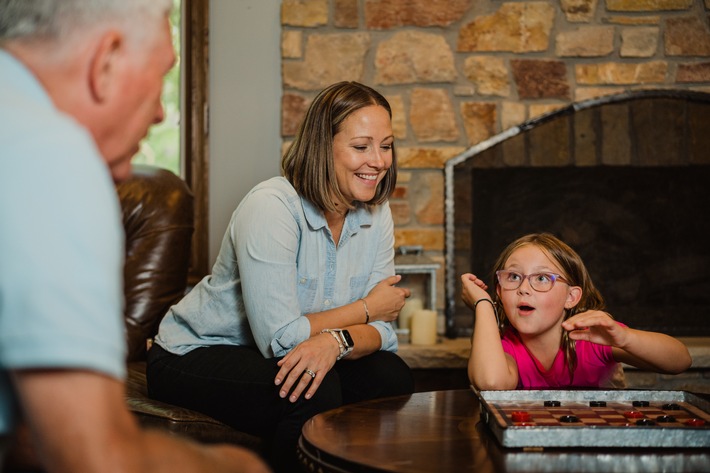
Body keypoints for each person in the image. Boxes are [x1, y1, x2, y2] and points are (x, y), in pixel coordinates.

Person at [0, 1, 270, 472]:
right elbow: (94, 460)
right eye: (162, 76)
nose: (163, 113)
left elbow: (32, 436)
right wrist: (236, 467)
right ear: (105, 62)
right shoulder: (52, 155)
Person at [147, 80, 416, 472]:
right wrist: (366, 308)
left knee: (392, 379)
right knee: (315, 388)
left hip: (287, 347)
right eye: (361, 147)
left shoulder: (376, 210)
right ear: (324, 147)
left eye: (386, 145)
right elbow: (281, 339)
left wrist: (336, 341)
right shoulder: (271, 207)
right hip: (194, 352)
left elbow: (386, 333)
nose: (378, 161)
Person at [462, 232, 692, 391]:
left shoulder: (592, 338)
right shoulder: (504, 348)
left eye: (542, 278)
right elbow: (491, 383)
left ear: (571, 297)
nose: (523, 289)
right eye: (513, 277)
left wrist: (626, 338)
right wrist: (483, 304)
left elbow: (680, 361)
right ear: (500, 291)